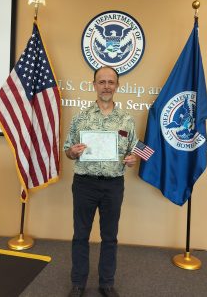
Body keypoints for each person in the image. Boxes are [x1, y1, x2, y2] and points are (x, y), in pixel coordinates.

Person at [64, 66, 138, 297]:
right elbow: (67, 149)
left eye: (111, 82)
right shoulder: (80, 118)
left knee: (109, 237)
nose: (106, 86)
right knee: (80, 235)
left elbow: (137, 148)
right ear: (94, 85)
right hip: (84, 184)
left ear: (117, 86)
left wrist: (134, 158)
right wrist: (73, 153)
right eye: (102, 82)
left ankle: (107, 283)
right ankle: (78, 283)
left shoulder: (126, 119)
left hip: (113, 185)